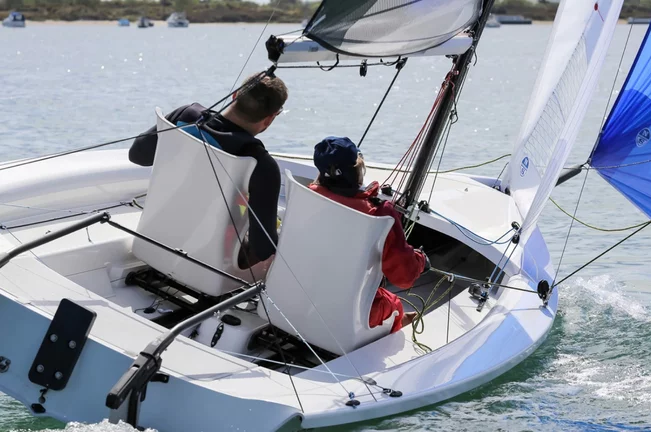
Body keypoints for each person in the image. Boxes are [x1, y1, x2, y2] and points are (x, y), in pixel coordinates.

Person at [128, 72, 288, 269]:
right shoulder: (261, 164)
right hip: (209, 270)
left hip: (153, 240)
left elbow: (137, 155)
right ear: (270, 119)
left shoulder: (187, 115)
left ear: (235, 95)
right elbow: (263, 248)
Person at [310, 136, 430, 333]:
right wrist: (420, 260)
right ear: (358, 168)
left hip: (297, 293)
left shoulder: (308, 195)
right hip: (348, 316)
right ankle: (397, 320)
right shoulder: (380, 212)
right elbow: (403, 277)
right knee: (394, 305)